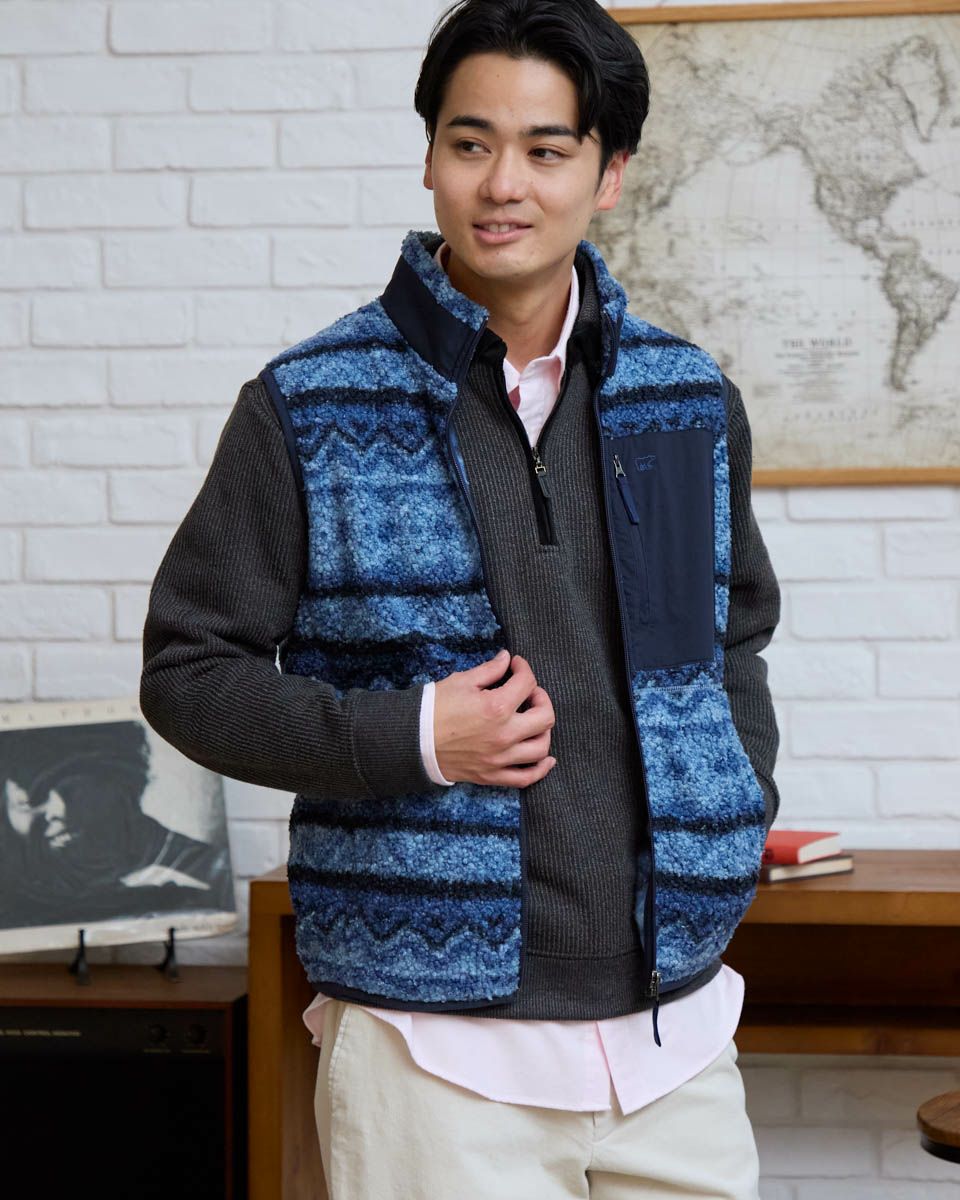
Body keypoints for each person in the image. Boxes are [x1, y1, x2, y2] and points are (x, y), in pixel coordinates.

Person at [140, 0, 782, 1194]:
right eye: (470, 142)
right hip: (427, 1047)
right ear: (430, 157)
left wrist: (733, 813)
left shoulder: (684, 399)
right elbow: (188, 674)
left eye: (547, 149)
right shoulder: (308, 405)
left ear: (609, 174)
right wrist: (419, 736)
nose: (504, 185)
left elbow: (728, 642)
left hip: (672, 1031)